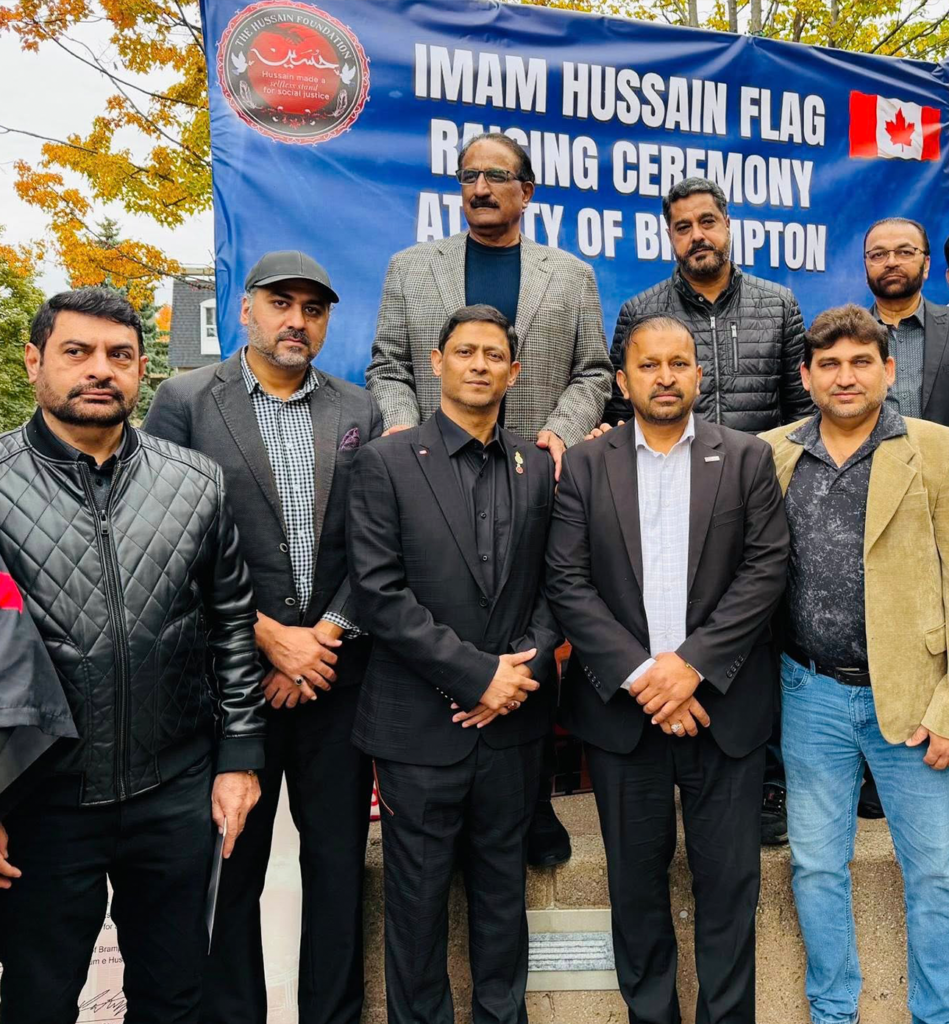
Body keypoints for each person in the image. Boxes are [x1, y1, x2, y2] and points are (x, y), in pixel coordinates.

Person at [0, 288, 265, 1023]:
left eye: (119, 355)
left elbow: (232, 625)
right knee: (36, 1002)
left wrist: (240, 758)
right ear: (35, 361)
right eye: (77, 352)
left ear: (142, 370)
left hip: (174, 792)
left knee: (174, 999)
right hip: (41, 802)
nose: (100, 370)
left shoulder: (194, 482)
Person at [145, 251, 381, 1024]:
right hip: (228, 687)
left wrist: (321, 640)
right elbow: (162, 541)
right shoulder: (185, 401)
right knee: (230, 867)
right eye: (281, 303)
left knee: (338, 867)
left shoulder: (360, 409)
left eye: (312, 309)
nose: (296, 321)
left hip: (334, 682)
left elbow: (376, 544)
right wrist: (268, 637)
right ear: (245, 309)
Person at [367, 131, 611, 865]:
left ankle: (530, 804)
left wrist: (559, 434)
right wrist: (405, 428)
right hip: (434, 474)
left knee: (530, 616)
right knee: (448, 614)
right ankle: (448, 785)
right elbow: (387, 365)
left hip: (530, 479)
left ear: (525, 191)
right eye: (469, 175)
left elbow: (594, 372)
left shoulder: (568, 276)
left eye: (497, 176)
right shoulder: (411, 269)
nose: (480, 187)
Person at [547, 313, 789, 1024]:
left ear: (698, 375)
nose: (664, 377)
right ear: (622, 381)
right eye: (648, 365)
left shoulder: (744, 457)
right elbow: (566, 581)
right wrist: (644, 677)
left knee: (729, 892)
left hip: (723, 711)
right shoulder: (585, 464)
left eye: (678, 363)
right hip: (623, 718)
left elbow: (764, 571)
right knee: (635, 892)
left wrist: (691, 668)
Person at [349, 305, 562, 1024]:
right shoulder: (384, 462)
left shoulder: (537, 467)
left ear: (514, 371)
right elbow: (379, 595)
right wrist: (477, 677)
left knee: (503, 900)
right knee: (415, 908)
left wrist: (518, 677)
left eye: (493, 354)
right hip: (419, 729)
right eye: (464, 351)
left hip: (513, 728)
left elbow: (557, 586)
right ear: (436, 363)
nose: (479, 364)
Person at [598, 176, 812, 847]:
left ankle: (765, 783)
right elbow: (620, 411)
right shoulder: (641, 309)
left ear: (727, 226)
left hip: (754, 501)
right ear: (669, 236)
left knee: (755, 640)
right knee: (666, 626)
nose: (697, 235)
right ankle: (665, 765)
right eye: (683, 226)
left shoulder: (778, 305)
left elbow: (800, 409)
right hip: (663, 500)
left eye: (707, 221)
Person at [761, 303, 949, 1024]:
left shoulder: (934, 450)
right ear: (806, 376)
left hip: (914, 699)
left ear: (888, 369)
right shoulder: (771, 453)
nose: (846, 377)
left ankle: (934, 1014)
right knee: (815, 866)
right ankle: (832, 1011)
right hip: (809, 693)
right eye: (830, 364)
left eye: (861, 362)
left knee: (935, 872)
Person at [864, 218, 949, 426]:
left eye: (905, 252)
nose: (891, 262)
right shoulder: (846, 337)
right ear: (866, 266)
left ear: (926, 265)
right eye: (878, 254)